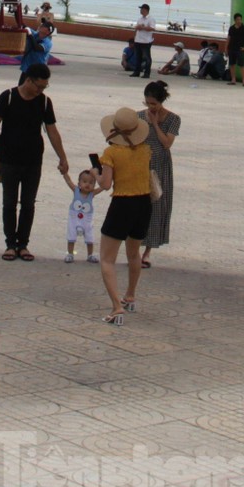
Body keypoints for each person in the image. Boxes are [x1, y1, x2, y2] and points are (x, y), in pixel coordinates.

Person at [0, 66, 70, 261]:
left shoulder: (44, 102)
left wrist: (62, 157)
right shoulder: (7, 97)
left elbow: (52, 131)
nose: (41, 90)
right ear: (29, 81)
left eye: (45, 87)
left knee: (28, 203)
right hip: (9, 160)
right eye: (39, 86)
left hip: (33, 160)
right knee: (9, 202)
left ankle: (23, 244)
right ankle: (10, 244)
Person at [95, 106, 154, 324]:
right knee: (133, 254)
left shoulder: (111, 153)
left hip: (122, 204)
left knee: (107, 259)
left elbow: (107, 184)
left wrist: (96, 174)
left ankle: (116, 307)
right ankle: (130, 296)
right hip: (143, 203)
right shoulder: (146, 150)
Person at [141, 80, 181, 267]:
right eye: (147, 103)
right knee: (137, 206)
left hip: (160, 166)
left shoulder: (173, 119)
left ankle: (148, 251)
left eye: (154, 104)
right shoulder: (138, 117)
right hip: (141, 165)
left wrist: (156, 124)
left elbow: (167, 143)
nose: (150, 107)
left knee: (157, 207)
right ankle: (134, 246)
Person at [63, 167, 100, 263]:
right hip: (74, 217)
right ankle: (70, 254)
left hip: (87, 219)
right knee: (71, 235)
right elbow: (68, 181)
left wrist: (105, 177)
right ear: (79, 183)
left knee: (90, 236)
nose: (87, 184)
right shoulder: (75, 191)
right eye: (84, 181)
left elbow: (103, 187)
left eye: (91, 182)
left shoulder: (92, 194)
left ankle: (90, 255)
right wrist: (64, 173)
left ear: (94, 185)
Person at [226, 13, 244, 88]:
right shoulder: (231, 28)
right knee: (232, 64)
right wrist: (226, 49)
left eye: (240, 19)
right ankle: (233, 80)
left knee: (242, 65)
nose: (239, 21)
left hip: (240, 49)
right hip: (231, 48)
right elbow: (228, 38)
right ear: (234, 20)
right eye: (237, 20)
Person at [131, 4, 155, 78]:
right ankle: (136, 71)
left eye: (142, 9)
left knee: (147, 58)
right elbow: (137, 27)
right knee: (138, 57)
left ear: (146, 10)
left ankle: (147, 73)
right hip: (138, 40)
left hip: (146, 41)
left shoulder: (151, 19)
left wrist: (142, 27)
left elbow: (152, 28)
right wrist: (135, 36)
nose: (140, 10)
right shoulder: (140, 18)